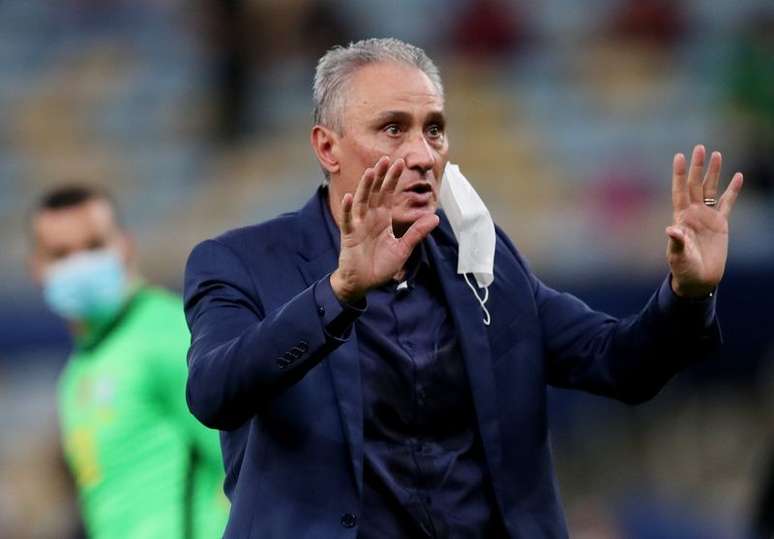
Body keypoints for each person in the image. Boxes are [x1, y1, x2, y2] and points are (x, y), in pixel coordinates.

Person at [183, 38, 743, 538]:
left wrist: (687, 294)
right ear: (328, 148)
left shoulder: (482, 260)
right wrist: (339, 292)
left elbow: (620, 364)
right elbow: (214, 392)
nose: (423, 155)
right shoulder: (240, 262)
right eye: (393, 128)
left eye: (434, 129)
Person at [28, 185, 229, 539]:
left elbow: (248, 463)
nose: (79, 265)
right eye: (60, 254)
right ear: (37, 269)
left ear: (125, 246)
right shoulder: (77, 374)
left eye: (93, 246)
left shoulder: (171, 334)